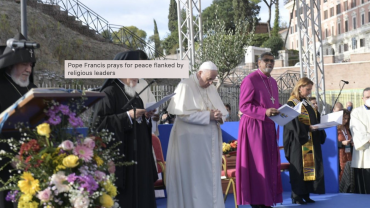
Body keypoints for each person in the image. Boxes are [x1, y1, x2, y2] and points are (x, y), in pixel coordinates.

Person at [92, 50, 157, 208]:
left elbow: (139, 125)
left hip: (140, 162)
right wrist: (127, 116)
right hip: (122, 163)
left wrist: (147, 118)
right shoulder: (108, 94)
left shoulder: (136, 96)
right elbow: (98, 125)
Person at [166, 61, 227, 208]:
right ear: (200, 73)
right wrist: (208, 116)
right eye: (209, 79)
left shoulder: (211, 87)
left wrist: (220, 116)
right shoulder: (185, 85)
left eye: (213, 79)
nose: (211, 83)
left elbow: (221, 110)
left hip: (209, 145)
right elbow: (182, 115)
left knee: (209, 178)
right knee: (193, 180)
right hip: (191, 147)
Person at [236, 52, 282, 208]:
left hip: (269, 127)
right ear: (259, 63)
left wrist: (284, 110)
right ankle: (257, 202)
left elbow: (273, 103)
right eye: (266, 61)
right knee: (258, 165)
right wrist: (264, 112)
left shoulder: (273, 82)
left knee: (269, 164)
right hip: (254, 128)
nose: (270, 63)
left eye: (272, 61)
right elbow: (243, 106)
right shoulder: (250, 79)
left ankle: (267, 200)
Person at [0, 33, 37, 207]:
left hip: (33, 166)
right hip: (5, 169)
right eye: (24, 64)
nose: (29, 69)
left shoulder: (33, 90)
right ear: (11, 64)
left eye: (30, 65)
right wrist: (9, 157)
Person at [283, 77, 327, 204]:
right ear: (300, 87)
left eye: (310, 89)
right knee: (299, 168)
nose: (309, 92)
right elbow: (291, 124)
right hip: (298, 141)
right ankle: (296, 195)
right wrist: (307, 128)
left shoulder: (307, 103)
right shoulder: (292, 103)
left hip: (310, 140)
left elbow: (314, 118)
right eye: (307, 89)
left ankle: (306, 194)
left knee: (310, 168)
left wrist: (319, 123)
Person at [350, 87, 370, 194]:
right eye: (367, 97)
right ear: (363, 98)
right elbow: (357, 130)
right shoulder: (356, 112)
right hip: (365, 150)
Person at [337, 109, 352, 182]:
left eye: (347, 119)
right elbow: (332, 143)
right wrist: (342, 143)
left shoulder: (347, 128)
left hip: (348, 155)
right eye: (344, 118)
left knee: (348, 172)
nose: (346, 120)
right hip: (340, 155)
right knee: (341, 172)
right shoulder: (335, 129)